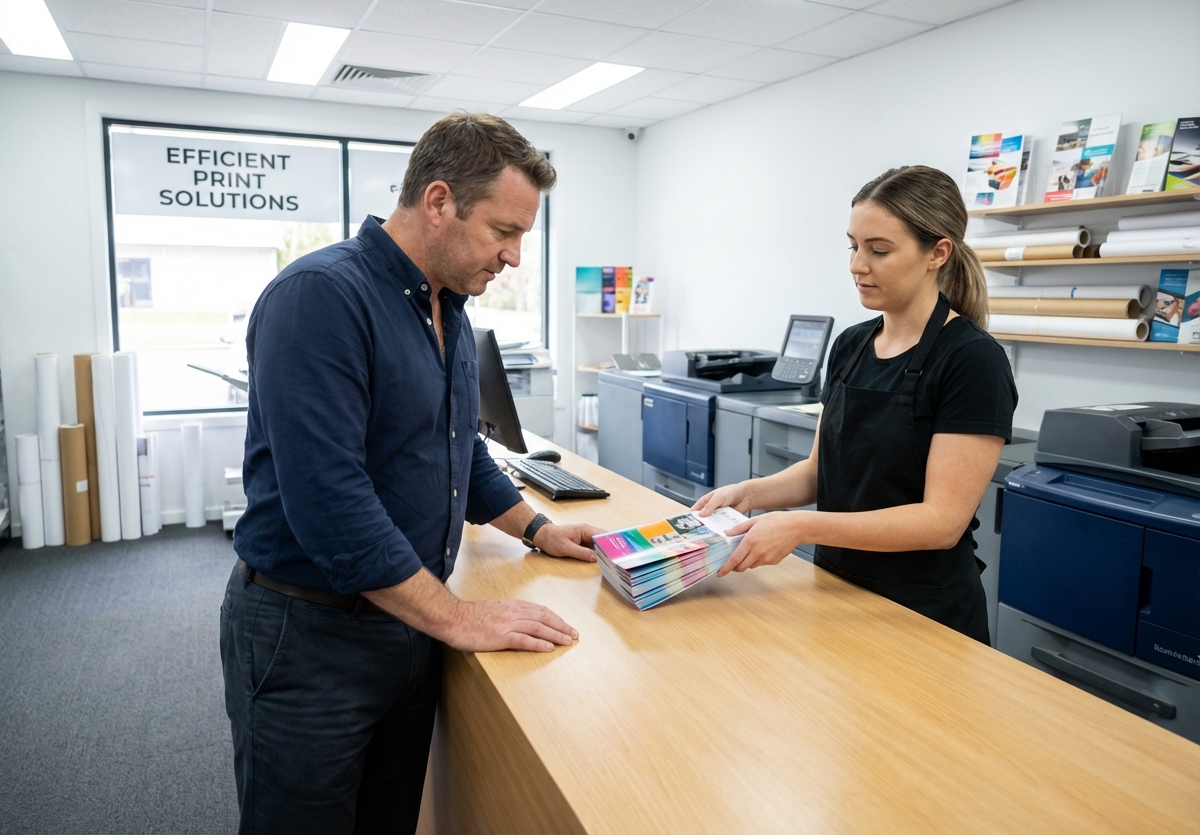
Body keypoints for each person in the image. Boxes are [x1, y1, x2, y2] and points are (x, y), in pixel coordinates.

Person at [220, 112, 603, 835]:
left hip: (406, 624)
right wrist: (457, 617)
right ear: (437, 202)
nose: (516, 257)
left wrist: (538, 528)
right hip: (310, 634)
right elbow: (331, 504)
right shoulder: (320, 298)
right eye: (504, 231)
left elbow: (458, 452)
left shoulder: (447, 306)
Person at [694, 165, 1017, 645]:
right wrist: (748, 494)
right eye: (854, 246)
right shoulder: (851, 345)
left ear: (938, 253)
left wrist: (800, 526)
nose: (857, 265)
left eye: (879, 250)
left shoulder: (971, 361)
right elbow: (820, 471)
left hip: (923, 613)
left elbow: (941, 522)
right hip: (838, 593)